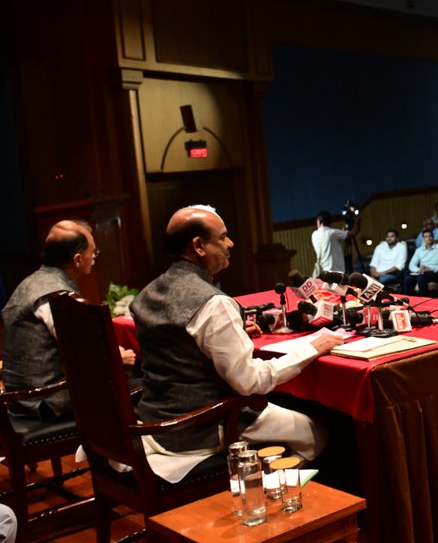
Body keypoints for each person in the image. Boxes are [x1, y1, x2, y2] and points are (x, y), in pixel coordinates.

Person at [132, 206, 340, 481]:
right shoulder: (213, 303)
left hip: (157, 421)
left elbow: (180, 346)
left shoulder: (148, 293)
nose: (230, 243)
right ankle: (268, 491)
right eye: (222, 237)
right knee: (317, 431)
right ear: (199, 246)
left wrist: (231, 334)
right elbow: (249, 382)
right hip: (202, 426)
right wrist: (312, 348)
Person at [2, 220, 135, 419]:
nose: (95, 257)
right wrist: (117, 359)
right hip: (42, 402)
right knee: (136, 388)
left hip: (25, 398)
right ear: (77, 259)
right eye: (93, 251)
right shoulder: (55, 295)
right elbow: (82, 353)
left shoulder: (33, 282)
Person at [311, 209, 359, 277]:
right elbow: (353, 233)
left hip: (322, 270)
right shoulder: (333, 233)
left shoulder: (314, 234)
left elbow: (332, 239)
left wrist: (343, 231)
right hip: (335, 270)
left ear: (319, 221)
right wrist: (356, 222)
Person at [403, 229, 438, 296]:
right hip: (422, 272)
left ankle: (424, 299)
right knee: (408, 279)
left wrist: (430, 268)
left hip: (434, 272)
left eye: (430, 236)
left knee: (421, 278)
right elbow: (411, 265)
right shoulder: (419, 250)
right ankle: (410, 299)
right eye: (426, 237)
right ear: (423, 239)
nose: (428, 238)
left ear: (433, 237)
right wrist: (419, 270)